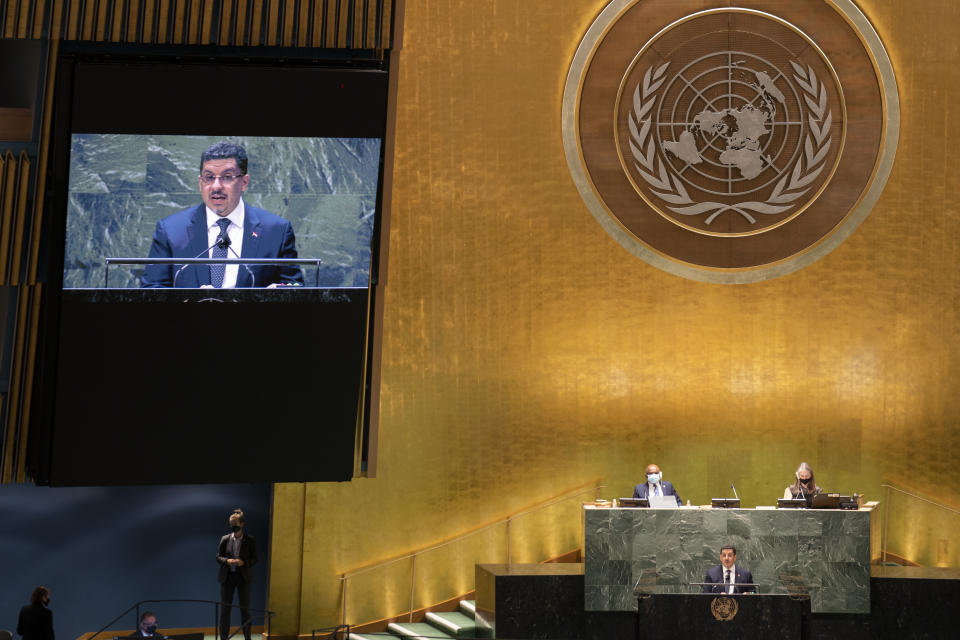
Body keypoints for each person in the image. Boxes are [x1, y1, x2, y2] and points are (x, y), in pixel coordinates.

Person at [141, 142, 305, 288]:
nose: (216, 186)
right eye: (209, 178)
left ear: (244, 182)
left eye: (227, 177)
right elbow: (151, 288)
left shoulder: (276, 231)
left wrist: (278, 293)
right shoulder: (171, 230)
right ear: (200, 183)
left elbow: (295, 285)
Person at [218, 508, 258, 640]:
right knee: (225, 611)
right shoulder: (225, 539)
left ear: (242, 524)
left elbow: (255, 559)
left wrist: (243, 563)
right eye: (231, 524)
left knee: (245, 610)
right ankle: (224, 638)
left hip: (243, 578)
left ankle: (247, 638)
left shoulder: (250, 540)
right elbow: (218, 557)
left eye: (235, 523)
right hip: (227, 577)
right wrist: (227, 560)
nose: (233, 526)